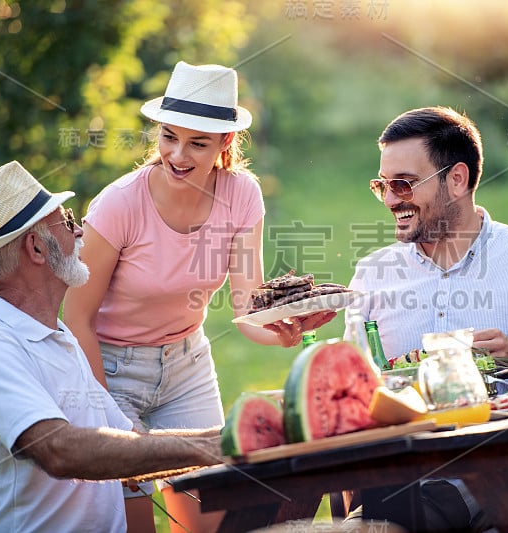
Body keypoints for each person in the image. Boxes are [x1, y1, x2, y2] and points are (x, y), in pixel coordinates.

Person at [62, 61, 333, 532]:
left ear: (226, 143)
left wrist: (283, 334)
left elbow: (246, 305)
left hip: (187, 367)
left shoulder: (242, 194)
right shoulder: (119, 204)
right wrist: (104, 408)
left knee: (208, 522)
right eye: (169, 136)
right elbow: (77, 317)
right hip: (108, 368)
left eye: (198, 143)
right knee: (132, 523)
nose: (178, 154)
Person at [345, 106, 508, 530]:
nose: (391, 199)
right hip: (402, 479)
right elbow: (353, 392)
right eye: (383, 186)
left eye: (403, 184)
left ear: (457, 179)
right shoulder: (372, 275)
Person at [0, 161, 224, 533]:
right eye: (66, 222)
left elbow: (129, 442)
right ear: (37, 248)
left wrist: (227, 441)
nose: (79, 232)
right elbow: (60, 450)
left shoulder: (60, 337)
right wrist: (217, 446)